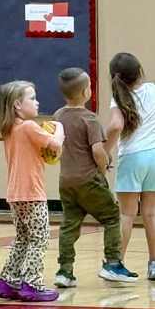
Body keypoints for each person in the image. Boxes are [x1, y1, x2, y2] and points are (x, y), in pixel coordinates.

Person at [52, 67, 137, 287]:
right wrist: (103, 167)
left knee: (69, 225)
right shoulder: (89, 119)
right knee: (111, 218)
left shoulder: (58, 116)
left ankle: (64, 271)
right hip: (89, 180)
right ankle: (113, 263)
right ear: (84, 92)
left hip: (66, 181)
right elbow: (98, 151)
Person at [106, 53, 155, 280]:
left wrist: (105, 151)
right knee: (152, 214)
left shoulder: (118, 97)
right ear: (140, 72)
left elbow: (116, 125)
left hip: (132, 157)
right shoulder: (153, 91)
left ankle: (116, 263)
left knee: (127, 214)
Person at [0, 80, 64, 301]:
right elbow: (54, 145)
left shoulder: (9, 128)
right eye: (32, 98)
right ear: (16, 105)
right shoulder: (29, 127)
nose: (37, 102)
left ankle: (8, 281)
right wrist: (60, 128)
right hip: (32, 193)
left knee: (23, 238)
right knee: (39, 238)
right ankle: (32, 283)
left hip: (15, 194)